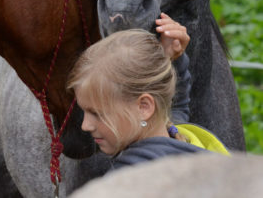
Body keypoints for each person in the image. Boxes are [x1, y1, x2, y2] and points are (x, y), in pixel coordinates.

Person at [67, 13, 229, 171]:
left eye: (97, 113)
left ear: (144, 107)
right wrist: (171, 60)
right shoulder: (186, 142)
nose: (85, 125)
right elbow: (177, 108)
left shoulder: (128, 179)